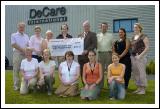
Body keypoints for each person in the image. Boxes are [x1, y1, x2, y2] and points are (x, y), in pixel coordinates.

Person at [131, 23, 149, 94]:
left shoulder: (144, 36)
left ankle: (143, 89)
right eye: (134, 27)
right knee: (136, 73)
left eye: (136, 27)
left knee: (141, 73)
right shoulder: (133, 37)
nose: (135, 28)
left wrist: (140, 55)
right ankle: (138, 88)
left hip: (140, 57)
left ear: (140, 28)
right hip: (133, 57)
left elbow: (147, 47)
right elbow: (132, 47)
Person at [11, 22, 29, 91]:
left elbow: (28, 44)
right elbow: (13, 44)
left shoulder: (26, 36)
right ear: (18, 27)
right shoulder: (14, 35)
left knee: (25, 70)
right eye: (20, 27)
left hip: (25, 54)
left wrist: (26, 51)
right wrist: (22, 50)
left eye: (23, 27)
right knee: (16, 70)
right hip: (17, 53)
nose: (22, 28)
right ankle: (16, 86)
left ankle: (25, 84)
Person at [78, 20, 97, 85]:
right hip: (81, 57)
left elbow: (94, 44)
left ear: (89, 26)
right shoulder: (79, 35)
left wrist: (87, 50)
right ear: (83, 27)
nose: (86, 27)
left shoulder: (93, 34)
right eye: (85, 26)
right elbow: (77, 45)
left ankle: (90, 84)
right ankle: (84, 85)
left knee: (89, 71)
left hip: (89, 57)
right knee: (82, 71)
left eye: (87, 26)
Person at [97, 22, 114, 89]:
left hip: (108, 54)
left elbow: (113, 46)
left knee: (109, 70)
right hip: (100, 54)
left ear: (107, 28)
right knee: (100, 70)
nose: (104, 28)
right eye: (103, 26)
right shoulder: (97, 35)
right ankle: (101, 86)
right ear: (100, 28)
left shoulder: (110, 35)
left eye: (105, 27)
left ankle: (109, 85)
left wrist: (113, 54)